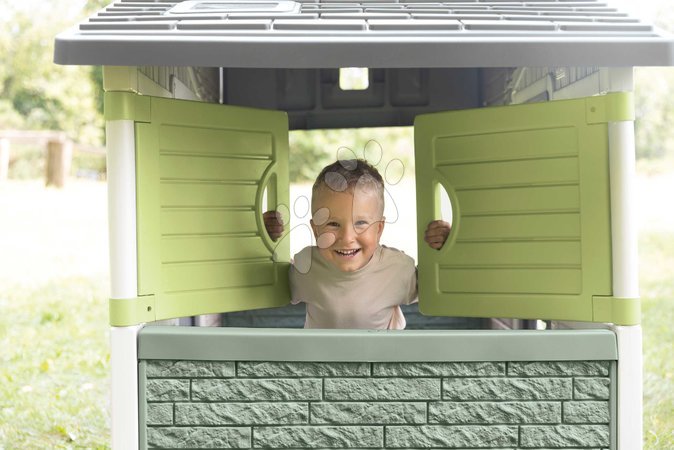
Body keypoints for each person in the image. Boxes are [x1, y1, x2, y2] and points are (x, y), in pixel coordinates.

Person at [263, 159, 450, 329]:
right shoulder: (306, 265)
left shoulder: (398, 268)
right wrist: (265, 234)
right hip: (321, 365)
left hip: (380, 365)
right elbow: (269, 275)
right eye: (333, 224)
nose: (347, 237)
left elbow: (442, 285)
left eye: (360, 223)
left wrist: (445, 243)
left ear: (379, 229)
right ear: (315, 230)